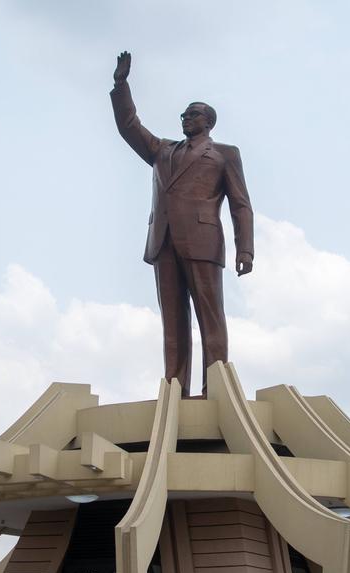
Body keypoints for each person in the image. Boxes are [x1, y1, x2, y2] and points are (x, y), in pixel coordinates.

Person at [110, 51, 254, 397]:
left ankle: (215, 388)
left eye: (193, 114)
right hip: (164, 242)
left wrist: (245, 248)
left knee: (210, 316)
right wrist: (120, 85)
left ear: (209, 122)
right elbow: (130, 127)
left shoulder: (224, 154)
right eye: (184, 114)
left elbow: (241, 205)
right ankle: (175, 388)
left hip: (203, 239)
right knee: (173, 323)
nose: (185, 118)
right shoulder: (163, 151)